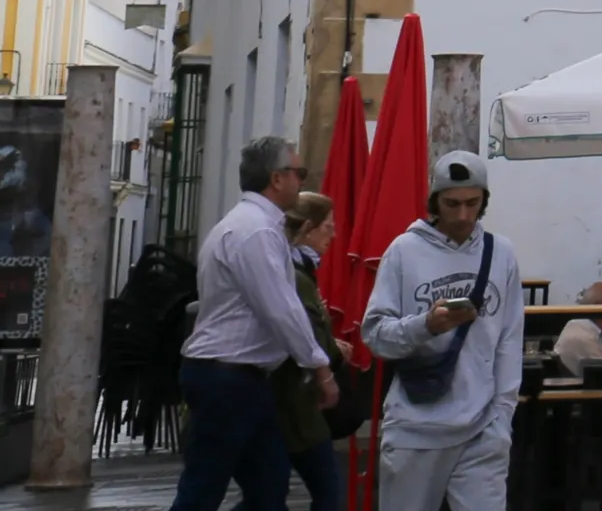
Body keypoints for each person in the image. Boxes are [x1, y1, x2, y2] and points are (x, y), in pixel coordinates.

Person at [175, 139, 338, 511]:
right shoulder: (257, 232)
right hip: (227, 377)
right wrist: (321, 367)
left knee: (268, 485)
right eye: (299, 173)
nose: (302, 180)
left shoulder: (250, 225)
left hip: (240, 378)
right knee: (204, 488)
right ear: (276, 178)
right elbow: (281, 310)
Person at [362, 151, 523, 511]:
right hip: (416, 428)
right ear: (435, 201)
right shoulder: (403, 251)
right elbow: (374, 335)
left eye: (472, 203)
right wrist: (425, 326)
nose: (463, 215)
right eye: (452, 204)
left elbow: (509, 340)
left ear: (483, 201)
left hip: (483, 429)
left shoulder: (501, 254)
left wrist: (502, 418)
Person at [276, 194, 349, 511]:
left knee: (268, 493)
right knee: (327, 490)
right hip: (295, 401)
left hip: (289, 402)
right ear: (308, 228)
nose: (333, 235)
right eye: (328, 227)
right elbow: (307, 332)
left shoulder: (296, 270)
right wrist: (333, 352)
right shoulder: (295, 276)